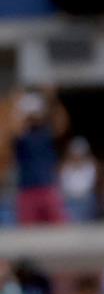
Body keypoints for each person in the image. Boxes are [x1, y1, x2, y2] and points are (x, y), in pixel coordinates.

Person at [11, 90, 67, 225]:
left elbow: (62, 124)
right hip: (27, 190)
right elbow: (13, 129)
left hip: (48, 187)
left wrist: (52, 100)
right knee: (27, 234)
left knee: (59, 229)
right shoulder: (21, 136)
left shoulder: (46, 132)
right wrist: (18, 109)